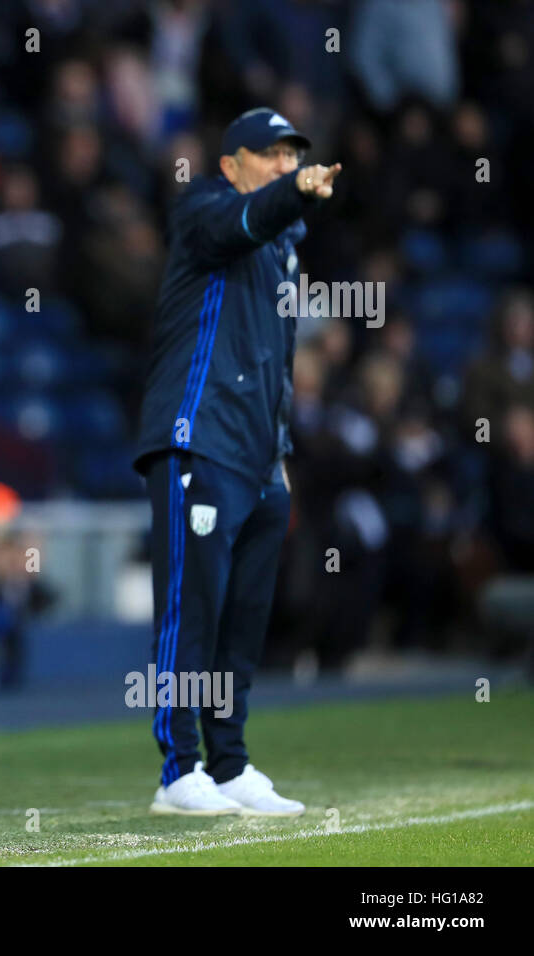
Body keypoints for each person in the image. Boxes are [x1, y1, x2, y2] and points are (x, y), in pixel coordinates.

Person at [132, 108, 341, 815]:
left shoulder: (283, 251)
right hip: (199, 438)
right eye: (273, 155)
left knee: (243, 618)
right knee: (193, 612)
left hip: (258, 457)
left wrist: (279, 453)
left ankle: (229, 763)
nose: (286, 166)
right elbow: (237, 225)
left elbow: (278, 363)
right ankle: (178, 769)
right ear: (231, 165)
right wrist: (296, 191)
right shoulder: (204, 209)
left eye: (293, 157)